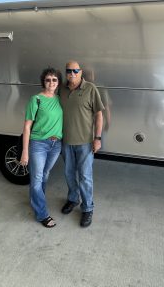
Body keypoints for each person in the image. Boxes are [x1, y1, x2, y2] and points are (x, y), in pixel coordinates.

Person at [60, 61, 104, 227]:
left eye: (75, 70)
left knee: (85, 177)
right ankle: (73, 199)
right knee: (69, 174)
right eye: (69, 71)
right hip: (66, 142)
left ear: (80, 72)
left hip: (85, 143)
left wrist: (97, 138)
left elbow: (99, 115)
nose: (72, 73)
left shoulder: (90, 89)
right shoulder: (61, 89)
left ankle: (87, 208)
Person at [19, 67, 63, 228]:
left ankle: (36, 201)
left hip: (56, 144)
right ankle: (42, 214)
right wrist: (25, 151)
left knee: (45, 175)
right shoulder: (36, 99)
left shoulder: (60, 99)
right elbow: (27, 127)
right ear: (43, 82)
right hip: (39, 144)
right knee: (37, 178)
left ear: (58, 82)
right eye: (48, 80)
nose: (51, 82)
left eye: (54, 79)